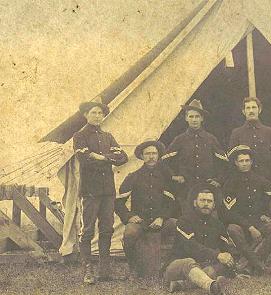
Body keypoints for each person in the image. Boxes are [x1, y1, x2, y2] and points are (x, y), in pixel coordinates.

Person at [73, 101, 128, 284]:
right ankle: (87, 270)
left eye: (100, 113)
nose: (97, 116)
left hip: (107, 191)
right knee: (87, 230)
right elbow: (86, 159)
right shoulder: (79, 136)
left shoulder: (107, 136)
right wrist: (109, 159)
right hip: (90, 191)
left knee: (107, 229)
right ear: (86, 115)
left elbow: (123, 158)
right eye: (94, 112)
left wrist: (103, 157)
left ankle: (104, 270)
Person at [115, 139, 178, 280]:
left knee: (178, 226)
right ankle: (133, 267)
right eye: (147, 154)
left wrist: (162, 217)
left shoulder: (166, 177)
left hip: (160, 221)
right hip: (140, 221)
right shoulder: (133, 176)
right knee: (130, 232)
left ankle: (170, 265)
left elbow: (171, 203)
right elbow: (118, 203)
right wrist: (129, 216)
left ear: (158, 155)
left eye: (154, 153)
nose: (151, 157)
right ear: (142, 156)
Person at [163, 183, 235, 295]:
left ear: (214, 205)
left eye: (209, 201)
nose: (206, 204)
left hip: (202, 268)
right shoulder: (184, 221)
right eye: (202, 200)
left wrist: (227, 258)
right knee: (189, 261)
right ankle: (212, 286)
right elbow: (191, 247)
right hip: (177, 268)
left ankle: (181, 285)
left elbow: (225, 249)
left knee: (212, 270)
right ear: (195, 203)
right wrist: (217, 255)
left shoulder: (218, 225)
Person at [219, 145, 271, 275]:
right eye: (241, 161)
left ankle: (246, 265)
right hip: (240, 224)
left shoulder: (261, 181)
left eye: (247, 160)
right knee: (232, 229)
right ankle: (259, 266)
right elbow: (229, 213)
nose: (244, 164)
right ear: (236, 163)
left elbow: (270, 203)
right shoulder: (230, 183)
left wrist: (267, 215)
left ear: (251, 162)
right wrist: (250, 227)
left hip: (258, 221)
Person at [162, 99, 228, 213]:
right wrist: (174, 176)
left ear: (202, 118)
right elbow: (163, 161)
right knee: (188, 221)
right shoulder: (180, 139)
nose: (194, 120)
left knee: (210, 223)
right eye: (191, 116)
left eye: (197, 116)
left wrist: (218, 180)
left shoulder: (210, 139)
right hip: (186, 190)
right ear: (186, 118)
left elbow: (225, 163)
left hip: (207, 190)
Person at [228, 96, 271, 183]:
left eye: (254, 107)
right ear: (243, 112)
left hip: (266, 180)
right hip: (244, 182)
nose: (251, 111)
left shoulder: (268, 131)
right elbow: (231, 160)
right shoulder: (236, 133)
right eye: (248, 108)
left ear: (259, 110)